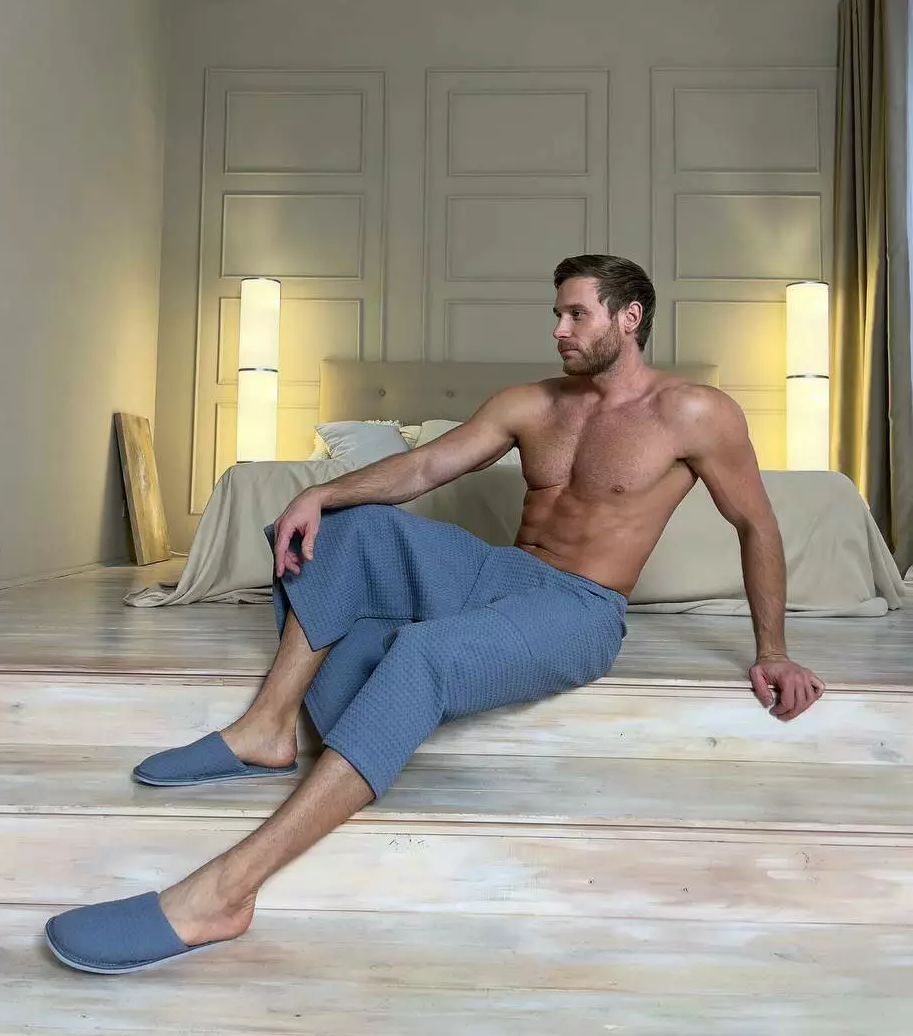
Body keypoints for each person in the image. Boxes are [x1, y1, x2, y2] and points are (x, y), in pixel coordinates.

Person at [45, 253, 824, 974]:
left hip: (579, 607)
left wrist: (772, 650)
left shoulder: (694, 413)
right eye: (555, 314)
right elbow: (424, 466)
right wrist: (321, 492)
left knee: (418, 655)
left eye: (575, 315)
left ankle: (223, 893)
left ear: (629, 318)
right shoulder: (532, 403)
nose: (558, 330)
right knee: (347, 528)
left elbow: (755, 525)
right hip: (499, 572)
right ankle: (267, 727)